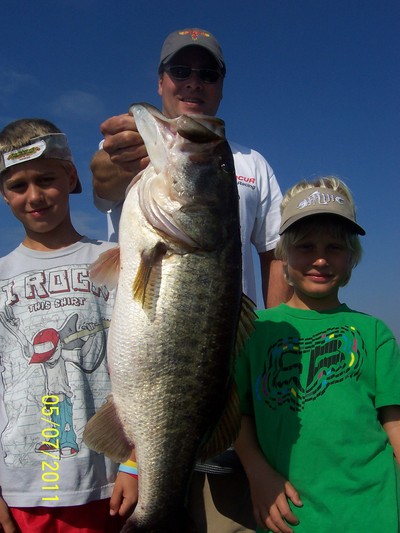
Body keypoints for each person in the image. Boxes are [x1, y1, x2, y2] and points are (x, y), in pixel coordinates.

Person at [234, 176, 400, 532]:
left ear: (352, 256)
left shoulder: (375, 333)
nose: (321, 259)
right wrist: (258, 474)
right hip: (287, 515)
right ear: (283, 253)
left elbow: (394, 424)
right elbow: (235, 414)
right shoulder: (253, 330)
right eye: (306, 246)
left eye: (335, 247)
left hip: (373, 514)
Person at [0, 119, 137, 533]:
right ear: (3, 194)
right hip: (21, 492)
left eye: (46, 179)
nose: (34, 196)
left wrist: (135, 463)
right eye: (18, 186)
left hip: (110, 484)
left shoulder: (118, 259)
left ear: (72, 177)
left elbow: (147, 371)